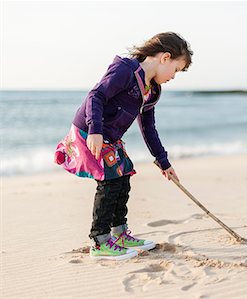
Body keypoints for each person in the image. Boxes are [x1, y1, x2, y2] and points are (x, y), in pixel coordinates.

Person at [54, 32, 193, 261]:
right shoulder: (125, 71)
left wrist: (164, 162)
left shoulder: (152, 90)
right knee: (109, 182)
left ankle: (119, 235)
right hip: (90, 131)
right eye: (176, 70)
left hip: (110, 137)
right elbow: (96, 96)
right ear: (165, 58)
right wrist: (95, 130)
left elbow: (148, 129)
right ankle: (100, 242)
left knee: (123, 176)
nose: (174, 77)